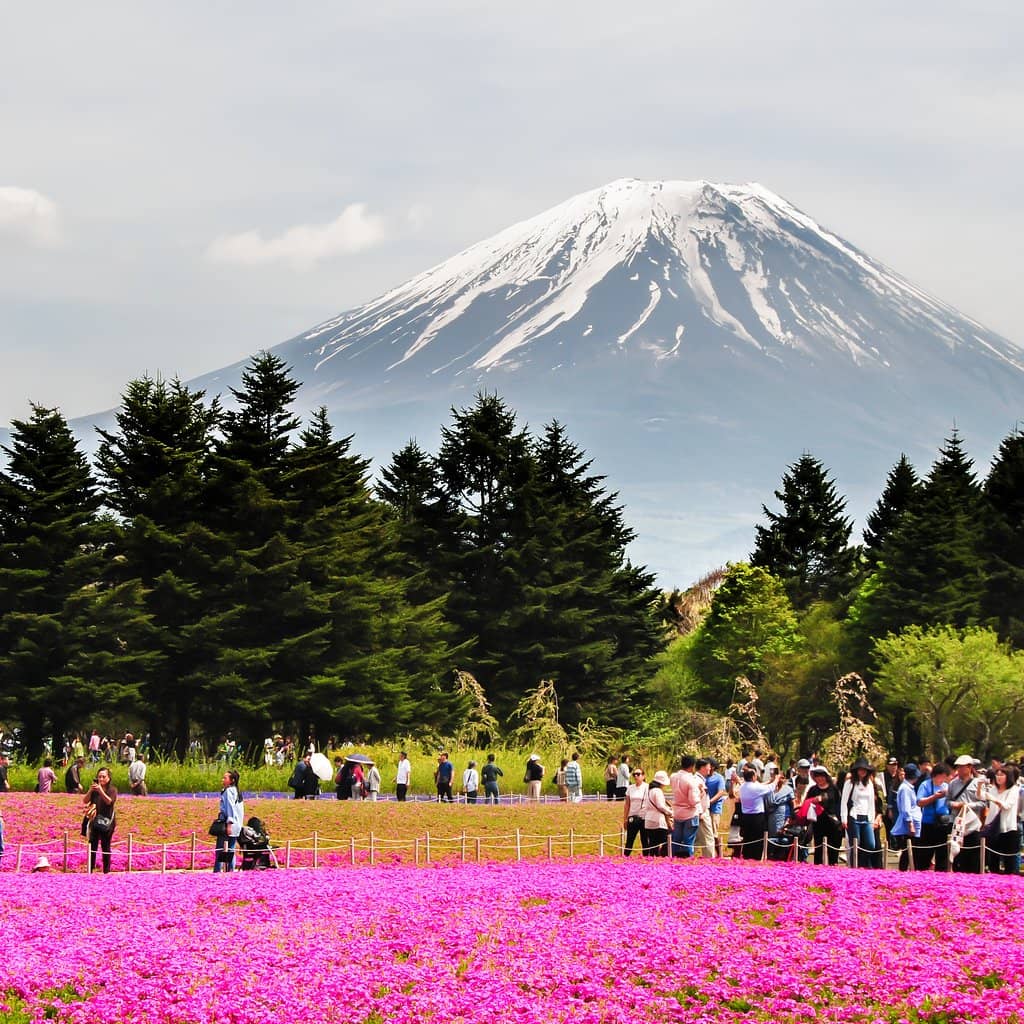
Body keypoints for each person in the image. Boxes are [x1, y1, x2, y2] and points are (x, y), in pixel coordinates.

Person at [840, 759, 882, 868]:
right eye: (860, 769)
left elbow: (871, 803)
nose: (862, 772)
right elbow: (844, 801)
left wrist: (872, 820)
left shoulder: (869, 784)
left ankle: (863, 864)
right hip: (854, 816)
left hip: (866, 817)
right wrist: (844, 818)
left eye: (864, 770)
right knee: (855, 844)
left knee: (870, 844)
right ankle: (855, 866)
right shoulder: (850, 783)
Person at [948, 754, 986, 873]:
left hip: (972, 824)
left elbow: (983, 803)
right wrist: (954, 804)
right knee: (957, 855)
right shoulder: (953, 784)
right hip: (957, 824)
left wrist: (969, 805)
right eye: (958, 767)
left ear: (969, 767)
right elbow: (947, 801)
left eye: (962, 767)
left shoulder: (978, 783)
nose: (959, 770)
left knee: (973, 856)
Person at [982, 766, 1020, 875]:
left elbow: (1006, 806)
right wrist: (980, 785)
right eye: (997, 775)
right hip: (993, 827)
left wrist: (993, 799)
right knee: (993, 859)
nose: (999, 777)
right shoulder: (993, 789)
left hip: (1008, 828)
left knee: (1009, 860)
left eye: (1002, 775)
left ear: (1008, 777)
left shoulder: (1013, 789)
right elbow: (980, 796)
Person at [915, 763, 952, 872]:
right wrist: (935, 797)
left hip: (943, 823)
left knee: (943, 854)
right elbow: (919, 802)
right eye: (943, 776)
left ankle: (941, 876)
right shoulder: (925, 785)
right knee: (925, 854)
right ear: (936, 775)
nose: (944, 779)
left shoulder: (946, 787)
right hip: (928, 823)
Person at [804, 765, 843, 865]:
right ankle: (818, 869)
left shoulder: (834, 789)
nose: (819, 778)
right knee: (818, 848)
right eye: (817, 776)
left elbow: (839, 804)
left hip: (833, 823)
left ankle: (833, 866)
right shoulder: (813, 790)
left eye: (822, 776)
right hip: (818, 823)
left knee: (833, 848)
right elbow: (807, 803)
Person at [84, 766, 117, 873]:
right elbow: (85, 800)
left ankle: (106, 870)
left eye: (103, 777)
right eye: (99, 777)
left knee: (105, 845)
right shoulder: (95, 789)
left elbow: (109, 801)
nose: (101, 779)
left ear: (108, 778)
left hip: (107, 822)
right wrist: (90, 790)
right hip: (95, 820)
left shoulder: (112, 789)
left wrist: (101, 791)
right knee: (92, 845)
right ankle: (90, 868)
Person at [737, 766, 774, 859]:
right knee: (757, 838)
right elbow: (770, 788)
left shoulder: (742, 787)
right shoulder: (756, 787)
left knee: (747, 837)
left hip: (745, 816)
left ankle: (747, 856)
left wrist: (770, 780)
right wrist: (776, 779)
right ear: (753, 777)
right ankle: (756, 856)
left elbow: (762, 786)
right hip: (757, 817)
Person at [891, 763, 922, 871]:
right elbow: (906, 808)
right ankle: (903, 872)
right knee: (907, 851)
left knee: (911, 851)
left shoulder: (908, 787)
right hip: (909, 825)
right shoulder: (905, 788)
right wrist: (910, 824)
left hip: (913, 822)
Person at [214, 769, 244, 873]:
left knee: (220, 849)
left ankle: (218, 871)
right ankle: (230, 871)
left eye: (225, 778)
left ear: (232, 780)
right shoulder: (236, 791)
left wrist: (229, 824)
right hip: (237, 825)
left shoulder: (229, 791)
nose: (223, 780)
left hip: (228, 825)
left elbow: (230, 808)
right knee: (230, 849)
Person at [765, 768, 796, 861]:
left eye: (783, 778)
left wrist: (791, 817)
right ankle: (771, 854)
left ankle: (782, 855)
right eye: (779, 777)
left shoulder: (788, 789)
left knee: (783, 835)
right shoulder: (770, 788)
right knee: (771, 835)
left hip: (783, 815)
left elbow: (793, 803)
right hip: (771, 815)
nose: (780, 779)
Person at [643, 771, 674, 856]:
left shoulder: (649, 790)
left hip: (649, 820)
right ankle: (662, 859)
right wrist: (670, 812)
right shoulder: (658, 791)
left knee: (652, 844)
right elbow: (660, 806)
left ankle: (653, 860)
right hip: (658, 821)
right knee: (665, 842)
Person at [622, 765, 648, 856]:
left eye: (638, 774)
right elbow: (627, 804)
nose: (636, 776)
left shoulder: (647, 787)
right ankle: (625, 857)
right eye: (634, 774)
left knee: (644, 840)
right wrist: (625, 818)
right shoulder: (630, 788)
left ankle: (646, 858)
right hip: (632, 817)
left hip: (643, 817)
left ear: (643, 776)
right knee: (629, 840)